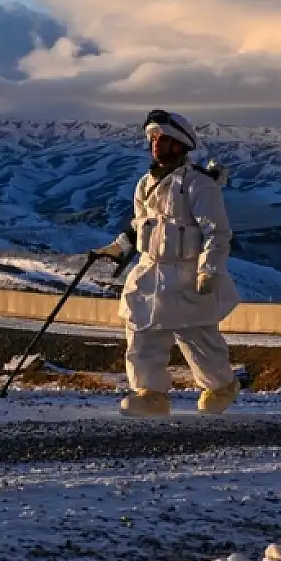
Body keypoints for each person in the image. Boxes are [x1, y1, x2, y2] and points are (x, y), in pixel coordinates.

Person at [90, 110, 242, 417]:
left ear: (181, 145)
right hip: (150, 271)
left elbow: (218, 231)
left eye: (164, 139)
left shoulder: (199, 185)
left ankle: (220, 386)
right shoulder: (144, 184)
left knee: (198, 338)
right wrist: (118, 248)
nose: (157, 144)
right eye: (154, 138)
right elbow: (139, 227)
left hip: (186, 273)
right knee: (141, 332)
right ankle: (150, 394)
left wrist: (209, 269)